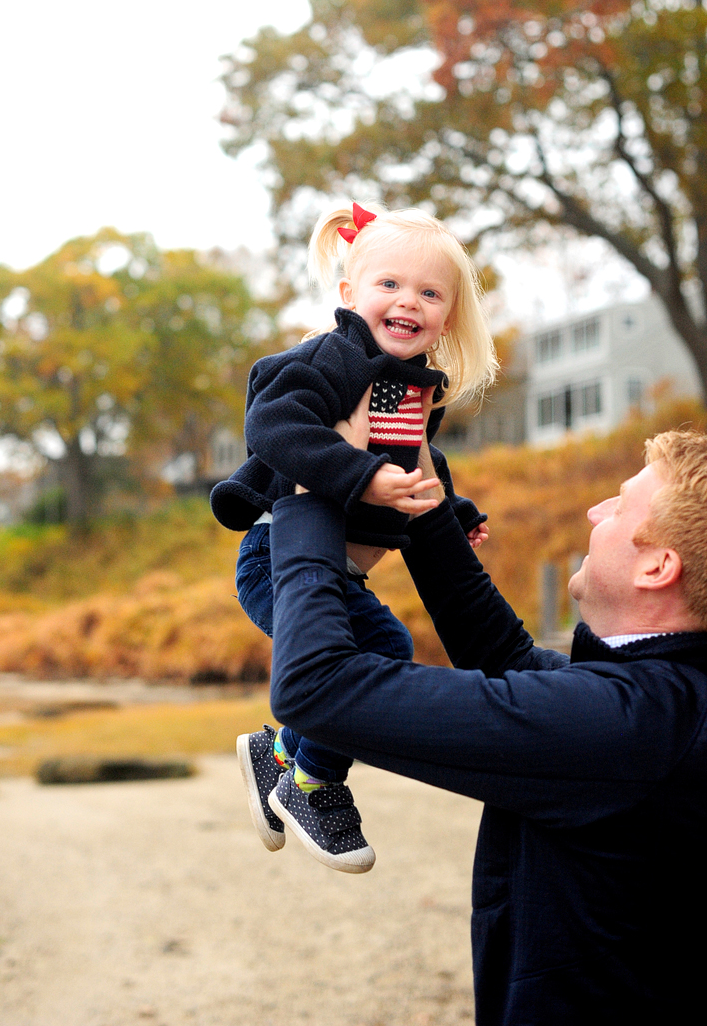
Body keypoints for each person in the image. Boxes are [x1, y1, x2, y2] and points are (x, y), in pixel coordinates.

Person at [267, 404, 707, 1024]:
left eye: (618, 504)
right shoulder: (665, 703)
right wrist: (418, 487)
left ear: (657, 566)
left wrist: (310, 490)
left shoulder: (635, 729)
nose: (594, 512)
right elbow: (505, 658)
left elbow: (317, 685)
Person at [210, 201, 497, 871]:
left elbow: (419, 462)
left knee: (382, 650)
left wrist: (454, 513)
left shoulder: (415, 387)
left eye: (429, 293)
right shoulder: (333, 359)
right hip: (274, 557)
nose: (408, 302)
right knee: (378, 649)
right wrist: (361, 475)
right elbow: (274, 426)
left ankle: (280, 754)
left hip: (339, 572)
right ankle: (310, 783)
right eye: (389, 285)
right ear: (349, 295)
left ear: (447, 316)